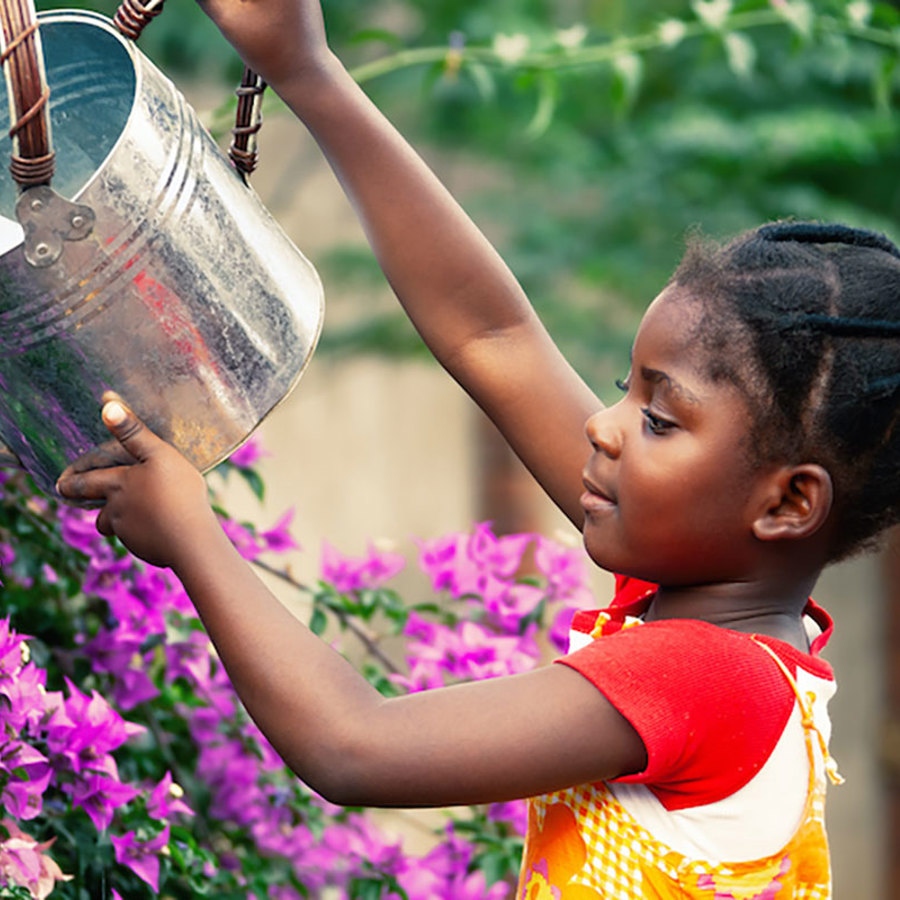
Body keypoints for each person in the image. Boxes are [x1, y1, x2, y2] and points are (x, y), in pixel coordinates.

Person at [55, 0, 900, 895]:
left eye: (660, 420)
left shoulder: (708, 675)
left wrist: (193, 533)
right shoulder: (717, 601)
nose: (604, 428)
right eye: (627, 390)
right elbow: (493, 337)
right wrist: (306, 69)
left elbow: (353, 749)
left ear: (787, 504)